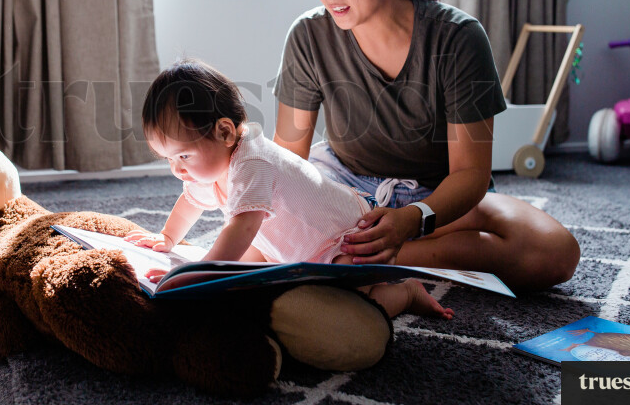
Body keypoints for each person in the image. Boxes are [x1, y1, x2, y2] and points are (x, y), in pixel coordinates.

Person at [272, 0, 580, 292]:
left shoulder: (459, 37)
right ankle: (370, 255)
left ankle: (370, 259)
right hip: (346, 185)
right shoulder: (308, 34)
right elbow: (288, 156)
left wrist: (412, 219)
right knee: (260, 244)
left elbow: (470, 174)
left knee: (554, 252)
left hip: (437, 197)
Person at [124, 59, 454, 320]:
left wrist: (195, 273)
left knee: (347, 304)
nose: (177, 169)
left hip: (343, 241)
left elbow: (242, 228)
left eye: (183, 156)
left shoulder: (252, 162)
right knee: (241, 278)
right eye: (169, 159)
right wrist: (168, 236)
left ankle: (405, 292)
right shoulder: (213, 165)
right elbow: (190, 201)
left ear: (225, 132)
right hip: (288, 244)